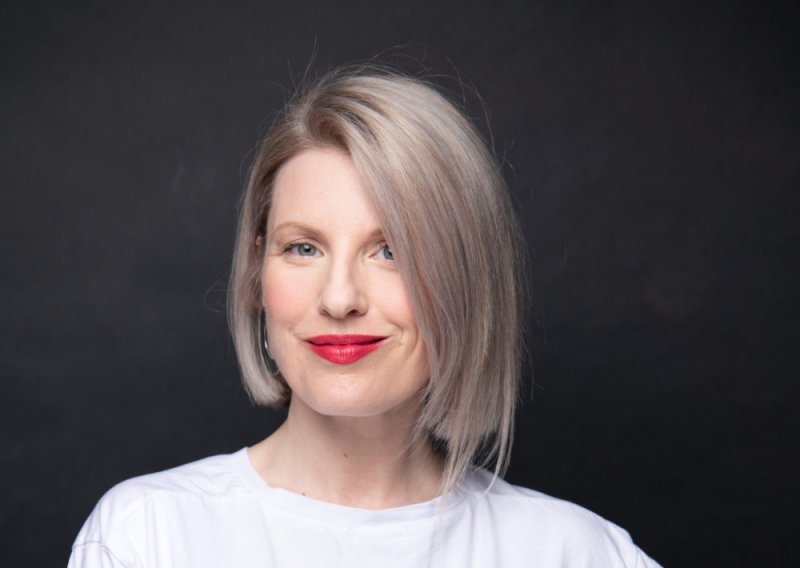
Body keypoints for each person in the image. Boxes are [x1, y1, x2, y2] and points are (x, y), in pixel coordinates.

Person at [68, 65, 661, 567]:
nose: (339, 298)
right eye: (304, 248)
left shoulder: (575, 553)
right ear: (256, 273)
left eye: (391, 251)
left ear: (465, 281)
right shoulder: (146, 537)